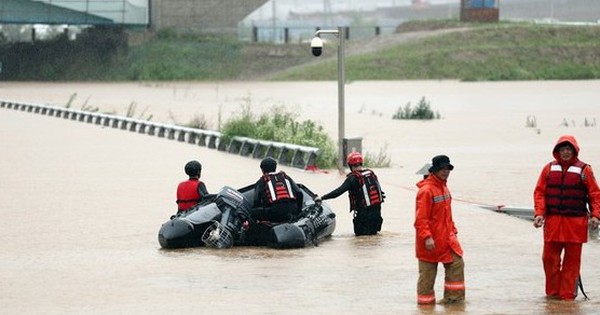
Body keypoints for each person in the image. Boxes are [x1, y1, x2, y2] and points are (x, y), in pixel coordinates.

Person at [533, 135, 600, 301]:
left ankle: (567, 297)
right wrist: (539, 214)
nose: (565, 152)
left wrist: (596, 216)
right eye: (562, 149)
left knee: (572, 263)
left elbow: (595, 195)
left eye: (568, 149)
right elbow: (539, 192)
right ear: (557, 151)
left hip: (575, 225)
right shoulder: (548, 169)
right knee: (549, 259)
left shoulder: (585, 170)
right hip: (553, 224)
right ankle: (553, 296)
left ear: (574, 151)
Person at [414, 155, 465, 305]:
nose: (445, 171)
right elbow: (420, 219)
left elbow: (447, 215)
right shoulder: (426, 191)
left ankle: (454, 303)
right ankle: (425, 308)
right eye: (442, 169)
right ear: (434, 170)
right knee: (427, 278)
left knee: (457, 265)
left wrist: (454, 231)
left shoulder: (444, 188)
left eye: (447, 168)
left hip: (447, 239)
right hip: (429, 242)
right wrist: (427, 237)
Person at [315, 151, 384, 236]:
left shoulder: (353, 179)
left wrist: (322, 197)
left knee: (361, 243)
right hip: (377, 215)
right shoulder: (371, 174)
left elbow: (338, 191)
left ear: (350, 165)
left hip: (363, 217)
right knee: (373, 240)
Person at [252, 157, 304, 223]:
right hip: (293, 210)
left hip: (276, 214)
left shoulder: (261, 182)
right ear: (275, 168)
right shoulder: (285, 177)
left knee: (253, 212)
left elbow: (256, 202)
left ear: (262, 170)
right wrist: (298, 212)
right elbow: (300, 193)